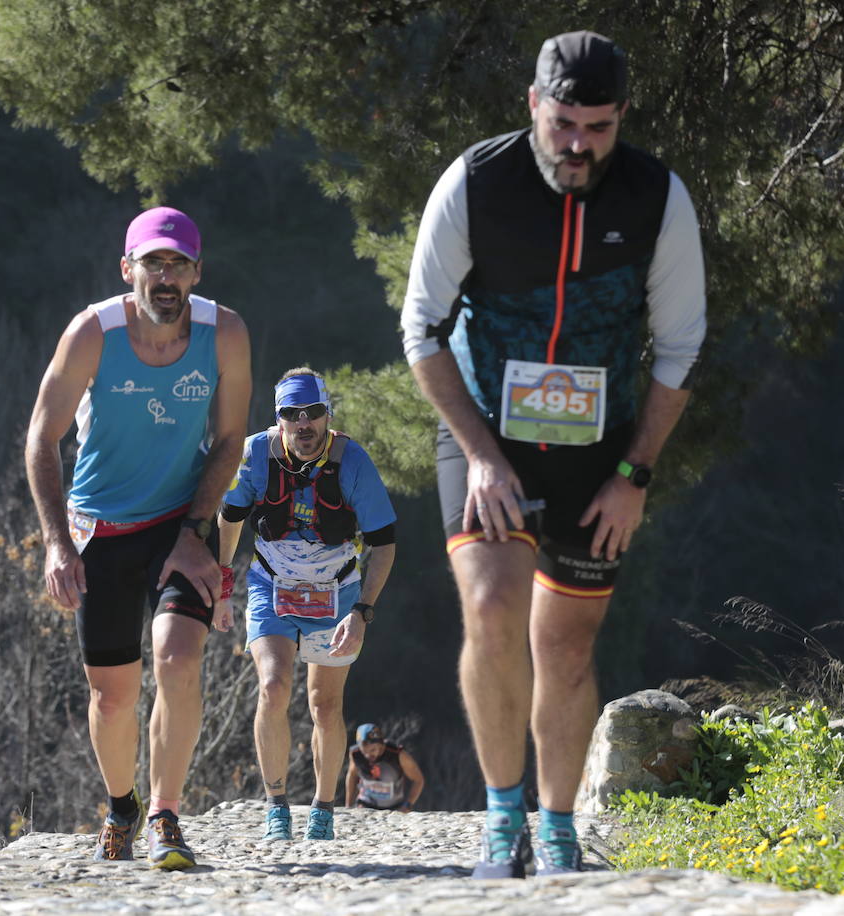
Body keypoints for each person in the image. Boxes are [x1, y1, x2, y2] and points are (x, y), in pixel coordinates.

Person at [400, 31, 706, 878]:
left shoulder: (657, 198)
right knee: (493, 605)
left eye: (598, 128)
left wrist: (634, 475)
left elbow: (681, 347)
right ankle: (504, 820)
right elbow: (421, 329)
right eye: (563, 123)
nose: (578, 145)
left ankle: (559, 826)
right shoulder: (475, 183)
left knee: (566, 646)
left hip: (599, 454)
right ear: (533, 105)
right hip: (487, 436)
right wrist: (481, 454)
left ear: (622, 118)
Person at [25, 206, 251, 870]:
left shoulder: (225, 333)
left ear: (197, 273)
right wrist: (56, 543)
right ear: (128, 270)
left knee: (179, 660)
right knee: (112, 695)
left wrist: (195, 531)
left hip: (181, 523)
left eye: (179, 265)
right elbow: (42, 438)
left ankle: (164, 816)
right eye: (154, 263)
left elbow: (231, 440)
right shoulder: (92, 334)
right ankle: (122, 807)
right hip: (100, 530)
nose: (166, 277)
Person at [216, 369, 396, 842]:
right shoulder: (255, 454)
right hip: (271, 587)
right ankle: (276, 806)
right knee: (273, 687)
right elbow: (229, 518)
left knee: (324, 704)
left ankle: (323, 807)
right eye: (291, 415)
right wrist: (222, 582)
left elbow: (384, 544)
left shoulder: (353, 461)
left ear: (327, 415)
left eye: (313, 413)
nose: (303, 424)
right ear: (278, 420)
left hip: (337, 594)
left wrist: (362, 612)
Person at [344, 723, 425, 812]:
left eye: (372, 750)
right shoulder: (355, 753)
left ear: (380, 744)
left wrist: (408, 805)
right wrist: (348, 805)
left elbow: (418, 780)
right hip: (365, 803)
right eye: (364, 751)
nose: (368, 755)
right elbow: (352, 775)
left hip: (394, 807)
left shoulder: (398, 755)